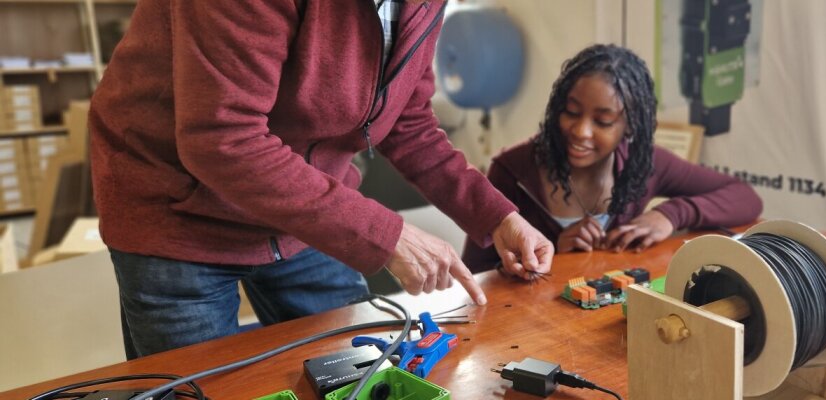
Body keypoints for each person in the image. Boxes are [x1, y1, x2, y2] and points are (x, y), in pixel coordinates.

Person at [89, 0, 553, 359]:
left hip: (304, 206)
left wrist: (498, 216)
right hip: (173, 206)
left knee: (356, 371)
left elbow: (407, 121)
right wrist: (386, 235)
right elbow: (223, 137)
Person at [462, 44, 761, 273]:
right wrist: (550, 251)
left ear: (629, 126)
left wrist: (670, 215)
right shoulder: (512, 171)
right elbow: (477, 273)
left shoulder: (643, 164)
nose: (581, 131)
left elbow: (745, 198)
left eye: (603, 121)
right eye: (571, 112)